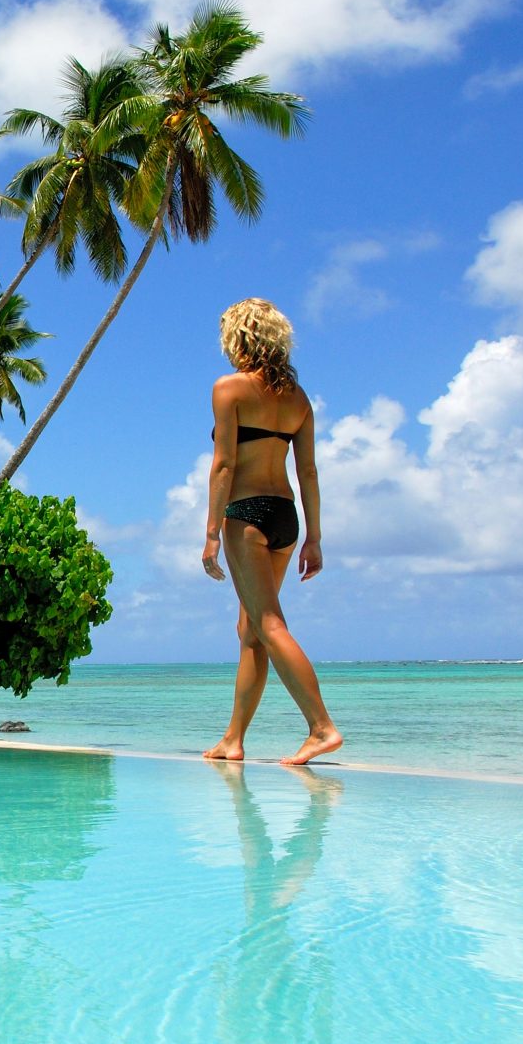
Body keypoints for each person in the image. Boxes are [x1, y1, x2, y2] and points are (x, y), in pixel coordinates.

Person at [199, 298, 342, 765]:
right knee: (250, 630)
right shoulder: (298, 401)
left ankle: (321, 728)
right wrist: (314, 537)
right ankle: (233, 740)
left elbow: (224, 464)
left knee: (268, 623)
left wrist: (212, 532)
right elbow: (310, 474)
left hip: (247, 514)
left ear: (238, 338)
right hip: (285, 515)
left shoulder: (230, 389)